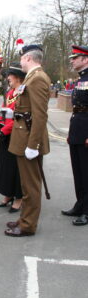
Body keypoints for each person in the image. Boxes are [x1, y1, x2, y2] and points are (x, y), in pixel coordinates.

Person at [5, 45, 51, 237]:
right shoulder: (33, 77)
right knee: (26, 185)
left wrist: (33, 145)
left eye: (22, 58)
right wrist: (13, 113)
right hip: (23, 136)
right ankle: (25, 219)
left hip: (29, 140)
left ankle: (28, 225)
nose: (20, 61)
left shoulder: (38, 78)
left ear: (29, 59)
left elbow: (40, 115)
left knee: (31, 186)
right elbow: (28, 109)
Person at [61, 45, 88, 226]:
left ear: (85, 59)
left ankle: (87, 211)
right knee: (78, 171)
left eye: (75, 57)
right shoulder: (81, 79)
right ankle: (80, 205)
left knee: (86, 172)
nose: (72, 60)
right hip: (78, 128)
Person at [0, 63, 25, 213]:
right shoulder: (10, 92)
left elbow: (19, 116)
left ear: (18, 77)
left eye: (10, 75)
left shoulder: (22, 92)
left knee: (15, 167)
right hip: (5, 135)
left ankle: (18, 198)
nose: (7, 78)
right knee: (5, 166)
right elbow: (3, 111)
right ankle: (8, 194)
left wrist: (4, 130)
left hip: (15, 134)